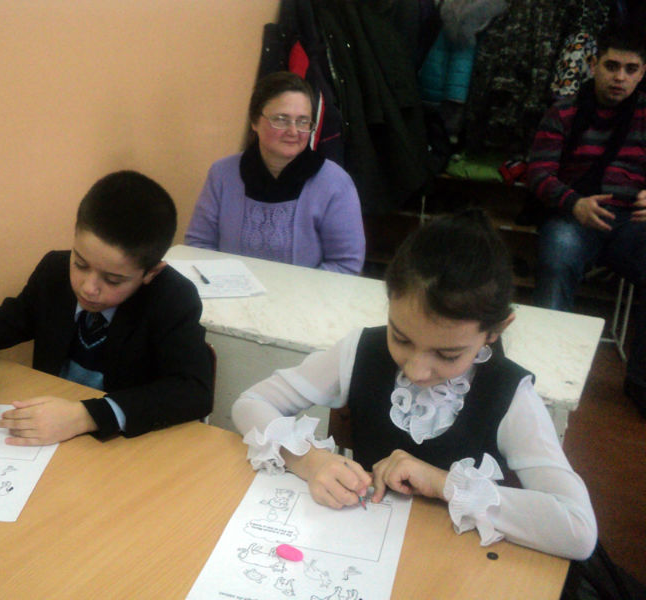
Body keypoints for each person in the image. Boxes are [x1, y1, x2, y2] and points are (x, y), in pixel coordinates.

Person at [231, 210, 597, 560]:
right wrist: (309, 460)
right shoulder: (362, 350)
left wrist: (443, 483)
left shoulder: (510, 393)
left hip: (452, 569)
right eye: (401, 338)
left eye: (448, 354)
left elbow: (579, 530)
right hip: (358, 549)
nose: (418, 370)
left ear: (495, 331)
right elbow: (251, 403)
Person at [0, 170, 213, 445]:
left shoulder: (172, 299)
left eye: (113, 280)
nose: (88, 287)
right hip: (48, 438)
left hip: (118, 448)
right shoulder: (54, 274)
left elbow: (194, 392)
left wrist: (86, 416)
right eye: (80, 264)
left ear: (151, 273)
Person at [527, 23, 646, 417]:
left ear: (642, 73)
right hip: (574, 216)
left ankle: (641, 382)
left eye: (631, 69)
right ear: (593, 64)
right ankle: (543, 376)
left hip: (632, 222)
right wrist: (574, 203)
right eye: (612, 66)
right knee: (558, 256)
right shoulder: (564, 111)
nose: (620, 77)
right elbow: (538, 173)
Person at [184, 71, 366, 275]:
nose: (293, 131)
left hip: (305, 294)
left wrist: (290, 290)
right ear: (254, 121)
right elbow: (198, 245)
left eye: (303, 121)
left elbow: (346, 263)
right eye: (281, 119)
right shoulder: (222, 174)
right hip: (230, 291)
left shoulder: (335, 183)